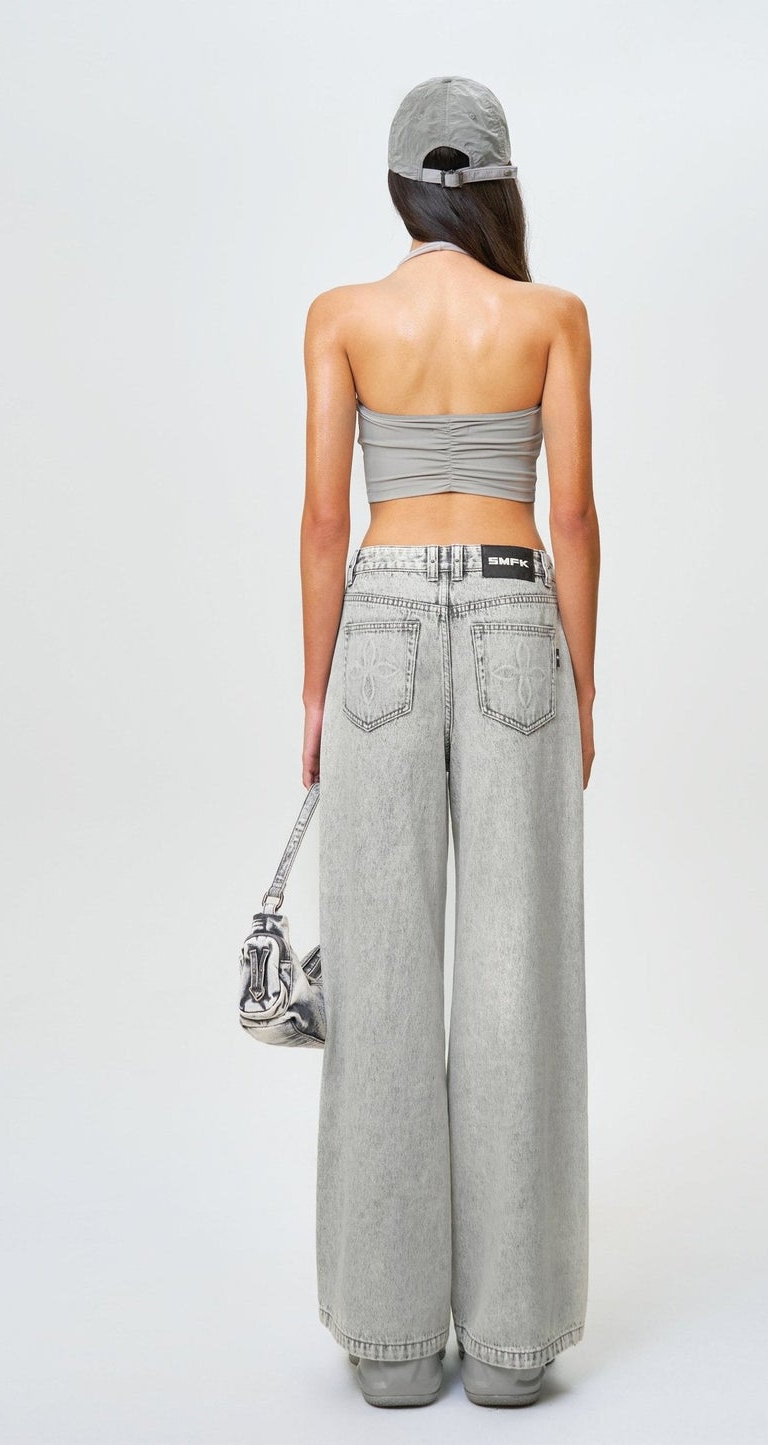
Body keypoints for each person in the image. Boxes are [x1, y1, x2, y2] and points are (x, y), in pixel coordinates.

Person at [298, 75, 598, 1410]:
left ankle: (389, 1344)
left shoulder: (342, 316)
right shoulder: (549, 316)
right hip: (516, 617)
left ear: (399, 186)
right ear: (498, 183)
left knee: (377, 971)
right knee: (517, 968)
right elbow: (573, 516)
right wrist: (582, 682)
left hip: (374, 626)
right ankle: (514, 1347)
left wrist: (315, 695)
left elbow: (324, 521)